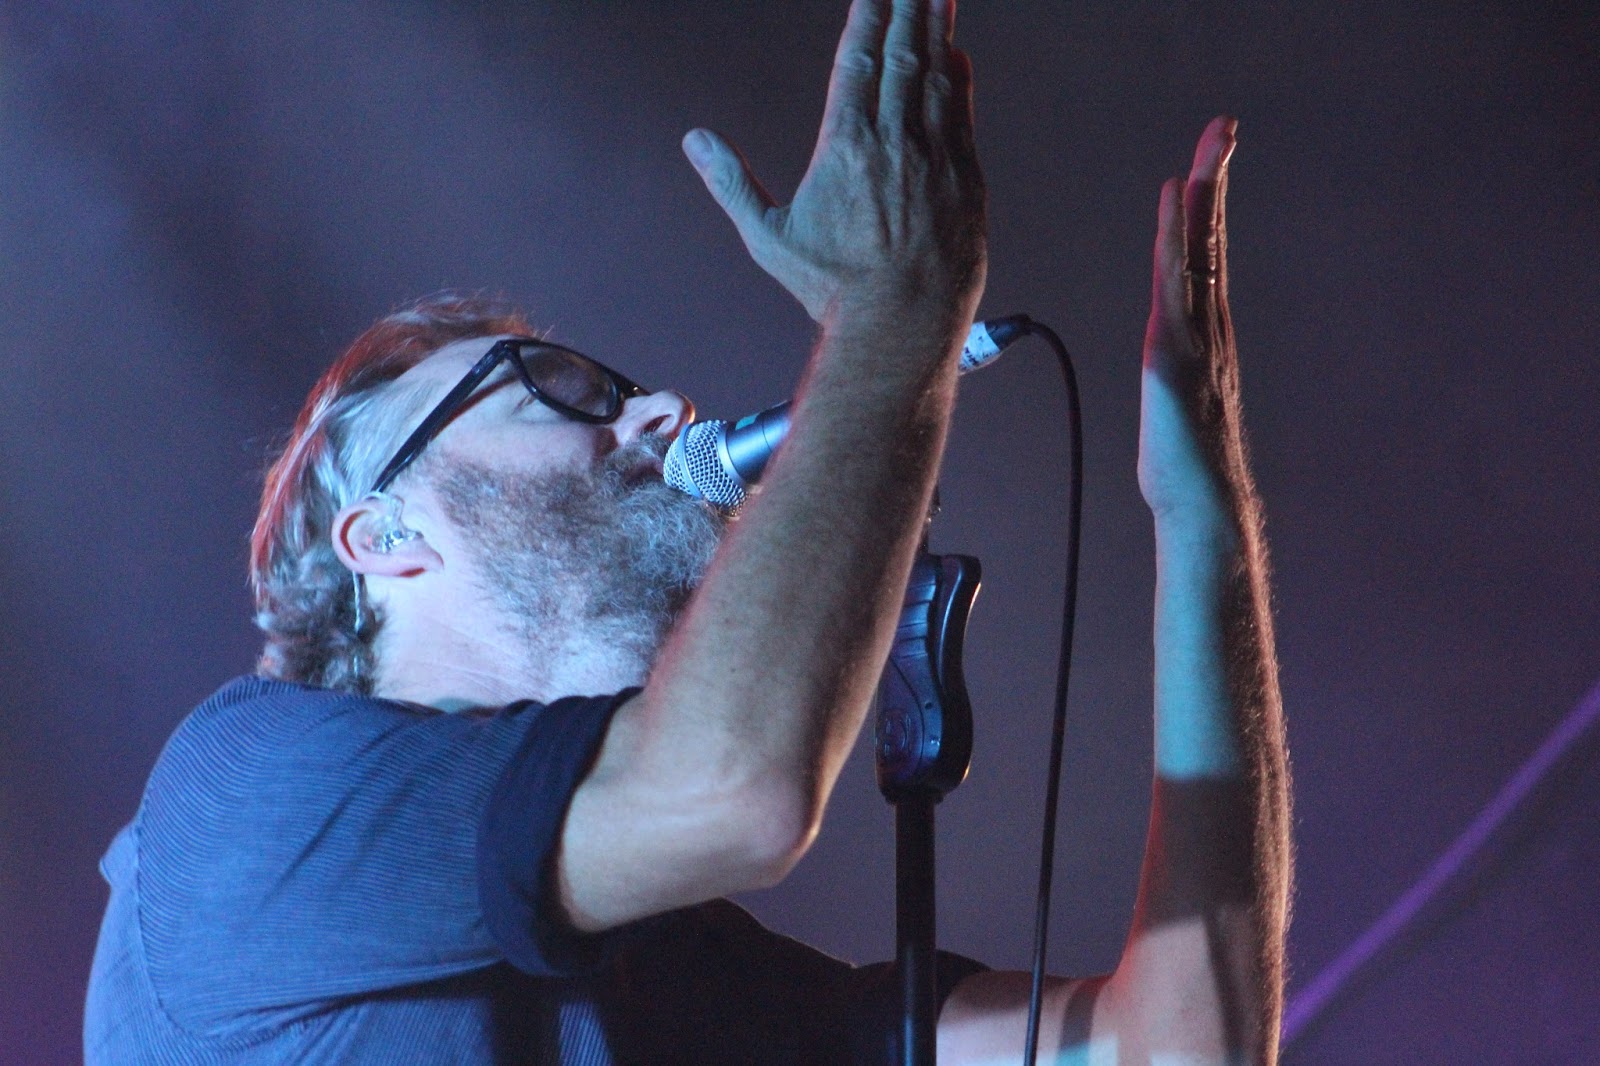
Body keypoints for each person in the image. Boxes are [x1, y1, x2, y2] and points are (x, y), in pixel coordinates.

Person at [85, 0, 1290, 1062]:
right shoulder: (242, 798)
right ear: (383, 535)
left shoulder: (669, 950)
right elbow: (734, 787)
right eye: (555, 387)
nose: (663, 408)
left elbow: (1175, 1050)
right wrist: (890, 314)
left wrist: (1206, 530)